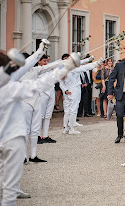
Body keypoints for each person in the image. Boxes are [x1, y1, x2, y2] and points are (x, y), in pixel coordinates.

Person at [0, 49, 80, 206]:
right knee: (9, 192)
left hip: (12, 140)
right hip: (13, 140)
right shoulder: (11, 88)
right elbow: (40, 83)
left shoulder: (12, 86)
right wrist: (67, 67)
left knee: (9, 190)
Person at [60, 56, 101, 135]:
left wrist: (65, 90)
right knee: (73, 110)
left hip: (67, 91)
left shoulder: (62, 69)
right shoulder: (73, 69)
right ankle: (72, 129)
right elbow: (84, 67)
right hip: (74, 90)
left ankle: (65, 128)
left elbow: (61, 83)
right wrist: (96, 63)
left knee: (67, 111)